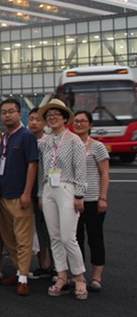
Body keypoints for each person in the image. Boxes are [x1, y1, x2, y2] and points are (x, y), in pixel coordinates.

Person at [37, 99, 88, 300]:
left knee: (68, 237)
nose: (53, 118)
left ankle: (79, 276)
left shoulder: (74, 140)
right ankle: (61, 275)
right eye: (49, 115)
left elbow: (80, 169)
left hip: (67, 187)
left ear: (65, 118)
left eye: (56, 115)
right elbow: (41, 169)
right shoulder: (44, 142)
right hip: (48, 187)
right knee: (55, 236)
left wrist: (79, 195)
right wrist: (40, 193)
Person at [0, 98, 39, 296]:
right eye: (4, 112)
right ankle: (18, 270)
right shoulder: (5, 136)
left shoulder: (26, 136)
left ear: (19, 113)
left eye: (11, 111)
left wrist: (27, 193)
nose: (7, 115)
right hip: (3, 194)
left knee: (23, 238)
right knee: (8, 237)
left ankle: (23, 277)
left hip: (20, 195)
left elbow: (32, 164)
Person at [72, 110, 110, 292]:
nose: (79, 124)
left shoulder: (97, 147)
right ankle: (78, 274)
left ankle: (96, 277)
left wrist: (103, 197)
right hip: (73, 200)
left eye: (83, 121)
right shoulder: (70, 145)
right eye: (76, 121)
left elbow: (105, 173)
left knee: (95, 238)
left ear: (90, 125)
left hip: (93, 199)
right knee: (75, 239)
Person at [27, 107, 53, 279]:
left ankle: (56, 266)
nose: (34, 123)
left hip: (48, 191)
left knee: (51, 229)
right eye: (31, 119)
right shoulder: (26, 139)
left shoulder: (49, 142)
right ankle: (43, 264)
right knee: (37, 229)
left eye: (38, 119)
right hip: (30, 191)